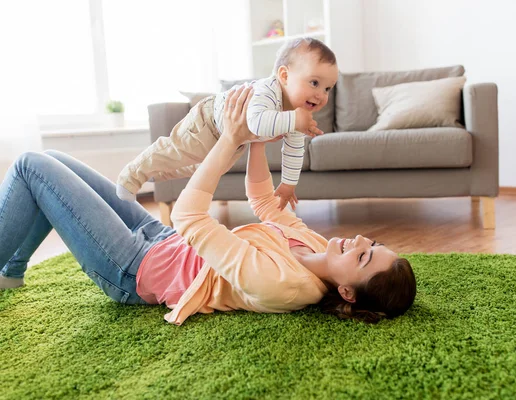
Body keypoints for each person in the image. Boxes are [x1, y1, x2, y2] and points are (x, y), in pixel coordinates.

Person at [0, 86, 417, 324]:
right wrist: (254, 138)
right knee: (51, 160)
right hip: (162, 241)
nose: (359, 240)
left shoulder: (282, 285)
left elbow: (188, 216)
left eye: (364, 257)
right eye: (372, 243)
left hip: (133, 268)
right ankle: (11, 273)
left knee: (30, 166)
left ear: (346, 291)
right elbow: (264, 203)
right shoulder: (312, 244)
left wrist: (228, 140)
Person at [116, 37, 339, 211]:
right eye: (314, 83)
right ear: (284, 75)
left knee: (205, 168)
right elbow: (258, 123)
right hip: (208, 122)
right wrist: (295, 120)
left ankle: (154, 172)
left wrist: (289, 184)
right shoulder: (267, 91)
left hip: (234, 139)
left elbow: (294, 149)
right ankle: (132, 174)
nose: (321, 95)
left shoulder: (294, 114)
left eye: (327, 88)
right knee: (174, 150)